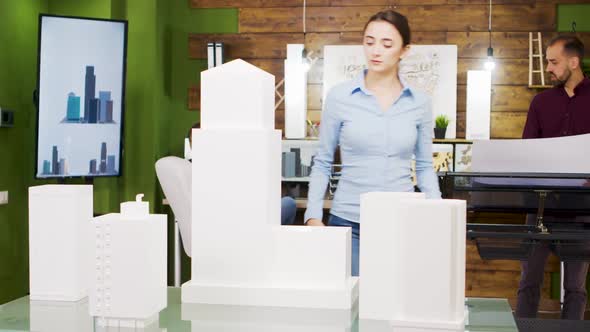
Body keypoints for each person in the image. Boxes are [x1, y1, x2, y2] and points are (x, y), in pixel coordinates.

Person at [304, 10, 441, 276]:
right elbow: (322, 161)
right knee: (353, 307)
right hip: (348, 223)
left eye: (386, 44)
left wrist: (436, 215)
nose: (375, 51)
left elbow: (424, 167)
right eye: (369, 42)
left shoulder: (420, 103)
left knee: (395, 307)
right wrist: (313, 215)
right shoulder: (340, 97)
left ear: (404, 50)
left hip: (403, 222)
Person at [517, 35, 590, 320]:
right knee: (528, 283)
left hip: (583, 210)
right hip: (539, 207)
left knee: (575, 287)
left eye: (553, 61)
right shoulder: (540, 102)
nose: (548, 67)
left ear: (574, 62)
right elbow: (527, 152)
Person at [187, 122, 297, 226]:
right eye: (195, 141)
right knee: (288, 203)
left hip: (244, 216)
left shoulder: (229, 163)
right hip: (227, 221)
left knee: (288, 203)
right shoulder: (189, 169)